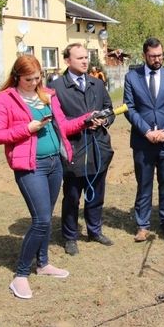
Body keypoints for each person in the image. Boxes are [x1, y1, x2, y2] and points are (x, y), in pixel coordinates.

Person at [0, 55, 92, 299]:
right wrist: (27, 129)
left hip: (55, 163)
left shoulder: (47, 94)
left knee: (46, 217)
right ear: (17, 77)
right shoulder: (5, 99)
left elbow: (63, 125)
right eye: (29, 79)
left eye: (37, 78)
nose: (34, 83)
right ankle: (20, 275)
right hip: (30, 167)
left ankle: (43, 264)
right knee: (42, 219)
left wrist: (85, 121)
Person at [49, 43, 116, 256]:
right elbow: (59, 122)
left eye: (86, 57)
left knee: (95, 194)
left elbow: (110, 110)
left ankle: (94, 231)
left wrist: (104, 119)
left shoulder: (97, 84)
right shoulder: (57, 88)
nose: (85, 61)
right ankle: (70, 236)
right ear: (68, 61)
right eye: (80, 58)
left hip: (99, 148)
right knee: (72, 196)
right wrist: (84, 122)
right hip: (75, 149)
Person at [123, 37, 164, 242]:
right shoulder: (132, 77)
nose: (157, 59)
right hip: (143, 141)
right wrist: (146, 131)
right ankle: (142, 225)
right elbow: (129, 108)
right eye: (153, 56)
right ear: (144, 55)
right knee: (144, 183)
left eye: (160, 55)